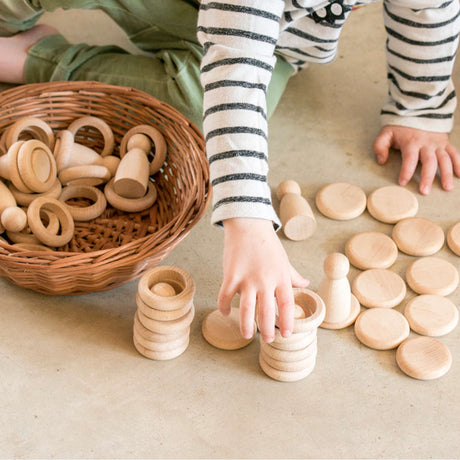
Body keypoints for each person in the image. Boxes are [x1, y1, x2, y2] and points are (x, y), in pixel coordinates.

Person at [1, 1, 459, 344]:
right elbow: (234, 62)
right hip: (225, 20)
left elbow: (430, 7)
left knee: (201, 107)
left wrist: (419, 109)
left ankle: (32, 56)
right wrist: (249, 221)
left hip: (272, 32)